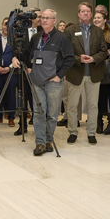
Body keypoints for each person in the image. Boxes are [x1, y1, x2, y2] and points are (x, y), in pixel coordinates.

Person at [12, 9, 75, 156]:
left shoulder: (62, 37)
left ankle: (48, 140)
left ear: (54, 20)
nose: (44, 20)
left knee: (52, 114)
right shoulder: (35, 37)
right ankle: (39, 142)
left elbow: (70, 58)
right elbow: (27, 55)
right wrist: (19, 60)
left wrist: (59, 75)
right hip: (37, 81)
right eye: (43, 18)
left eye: (48, 18)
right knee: (39, 113)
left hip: (53, 82)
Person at [63, 2, 108, 144]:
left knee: (93, 105)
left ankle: (91, 133)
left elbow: (104, 51)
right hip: (76, 72)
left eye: (88, 11)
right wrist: (79, 59)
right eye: (83, 11)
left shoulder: (98, 31)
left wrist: (93, 58)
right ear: (78, 14)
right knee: (72, 105)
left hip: (93, 73)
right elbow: (65, 53)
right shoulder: (70, 31)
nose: (86, 14)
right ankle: (72, 132)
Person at [0, 17, 17, 127]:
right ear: (1, 25)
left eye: (9, 24)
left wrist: (10, 67)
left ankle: (11, 117)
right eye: (5, 24)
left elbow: (18, 56)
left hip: (11, 71)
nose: (6, 27)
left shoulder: (15, 39)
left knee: (11, 95)